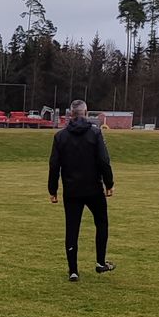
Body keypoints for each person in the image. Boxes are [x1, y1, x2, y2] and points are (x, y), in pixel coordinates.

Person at [48, 99, 115, 282]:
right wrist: (109, 183)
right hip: (94, 189)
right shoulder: (95, 133)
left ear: (71, 114)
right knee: (101, 223)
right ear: (86, 113)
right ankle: (100, 262)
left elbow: (54, 165)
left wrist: (52, 189)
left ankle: (73, 270)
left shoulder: (60, 137)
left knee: (72, 228)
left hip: (71, 191)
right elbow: (104, 160)